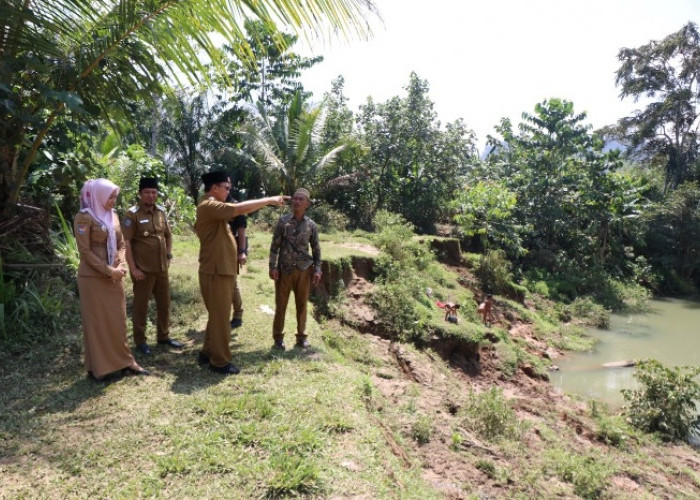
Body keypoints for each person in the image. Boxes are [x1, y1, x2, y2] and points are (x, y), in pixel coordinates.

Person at [195, 171, 287, 375]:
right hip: (216, 271)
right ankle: (219, 362)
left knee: (217, 316)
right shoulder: (209, 205)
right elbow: (239, 209)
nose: (229, 191)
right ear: (214, 188)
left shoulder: (213, 208)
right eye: (226, 188)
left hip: (220, 269)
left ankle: (206, 352)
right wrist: (269, 200)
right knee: (221, 319)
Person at [74, 178, 149, 380]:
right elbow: (85, 252)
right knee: (97, 322)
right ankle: (99, 368)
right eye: (110, 197)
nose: (113, 201)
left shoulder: (113, 216)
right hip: (93, 278)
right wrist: (109, 270)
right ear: (98, 196)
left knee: (118, 321)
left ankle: (125, 362)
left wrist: (121, 264)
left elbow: (122, 244)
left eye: (115, 197)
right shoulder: (84, 217)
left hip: (115, 275)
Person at [123, 177, 182, 355]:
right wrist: (133, 269)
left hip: (161, 268)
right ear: (140, 194)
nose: (151, 196)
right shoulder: (131, 214)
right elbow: (126, 243)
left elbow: (168, 236)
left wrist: (169, 255)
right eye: (147, 192)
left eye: (154, 192)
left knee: (164, 304)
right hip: (143, 270)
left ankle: (163, 336)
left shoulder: (161, 212)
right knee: (141, 306)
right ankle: (140, 341)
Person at [268, 188, 322, 350]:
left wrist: (318, 269)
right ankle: (278, 338)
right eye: (295, 199)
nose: (296, 201)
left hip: (304, 271)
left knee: (302, 305)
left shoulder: (311, 225)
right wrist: (272, 267)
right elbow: (274, 246)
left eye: (301, 199)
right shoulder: (283, 222)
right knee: (281, 305)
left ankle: (301, 337)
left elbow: (316, 249)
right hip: (284, 270)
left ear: (307, 203)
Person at [226, 180, 247, 330]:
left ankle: (238, 315)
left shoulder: (235, 205)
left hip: (231, 250)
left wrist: (242, 252)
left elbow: (241, 231)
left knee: (232, 284)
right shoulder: (212, 204)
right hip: (215, 251)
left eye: (227, 185)